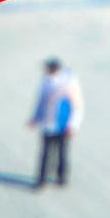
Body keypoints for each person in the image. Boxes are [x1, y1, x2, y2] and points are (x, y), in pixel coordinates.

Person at [29, 58, 84, 188]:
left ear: (56, 69)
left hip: (63, 126)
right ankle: (42, 180)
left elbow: (77, 107)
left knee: (62, 153)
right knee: (45, 154)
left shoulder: (69, 84)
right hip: (48, 124)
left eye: (49, 68)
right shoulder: (46, 82)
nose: (46, 71)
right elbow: (41, 102)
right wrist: (36, 118)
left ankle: (62, 178)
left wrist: (73, 125)